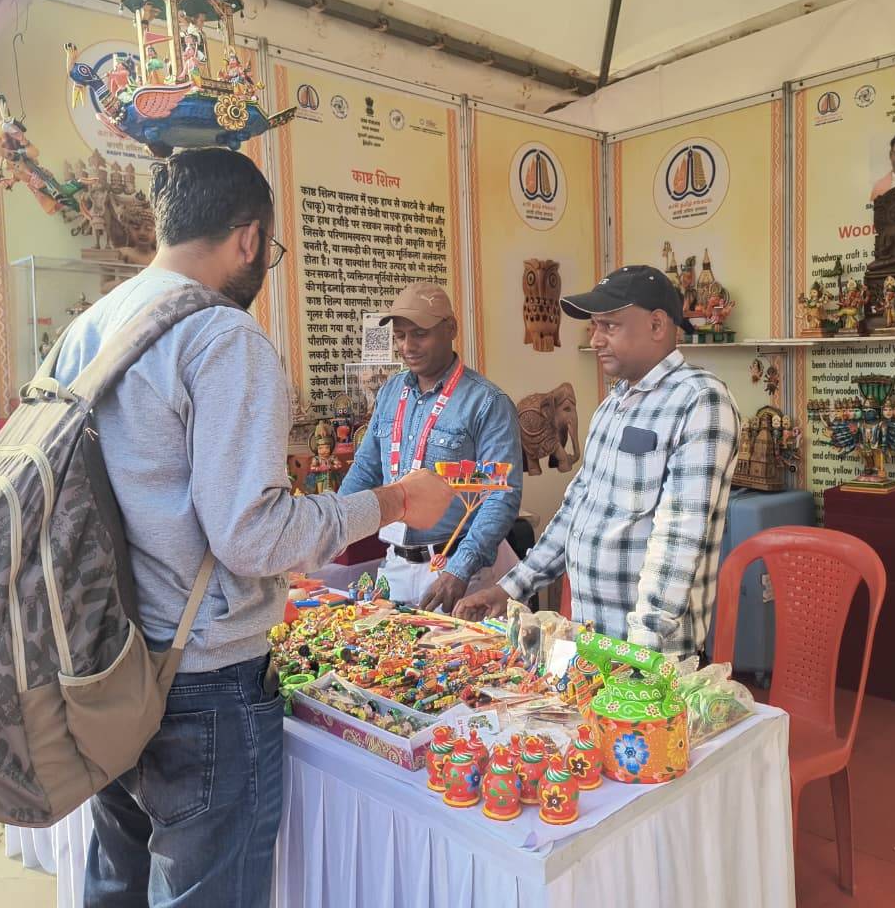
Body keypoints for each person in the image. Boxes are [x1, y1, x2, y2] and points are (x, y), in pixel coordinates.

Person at [51, 148, 455, 907]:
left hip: (107, 655)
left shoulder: (94, 325)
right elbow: (253, 537)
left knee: (119, 880)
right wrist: (395, 502)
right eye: (267, 249)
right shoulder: (224, 338)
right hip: (201, 678)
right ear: (247, 239)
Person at [455, 265, 741, 662]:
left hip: (649, 654)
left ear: (657, 325)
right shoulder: (613, 403)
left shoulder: (699, 401)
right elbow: (577, 509)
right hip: (589, 639)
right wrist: (510, 589)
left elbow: (680, 535)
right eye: (594, 327)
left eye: (609, 326)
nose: (596, 339)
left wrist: (643, 649)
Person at [339, 282, 523, 613]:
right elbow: (365, 470)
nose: (407, 346)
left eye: (419, 334)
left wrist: (460, 569)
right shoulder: (392, 392)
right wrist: (327, 528)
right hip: (396, 565)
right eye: (399, 336)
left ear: (450, 328)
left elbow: (499, 496)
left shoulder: (486, 402)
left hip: (461, 573)